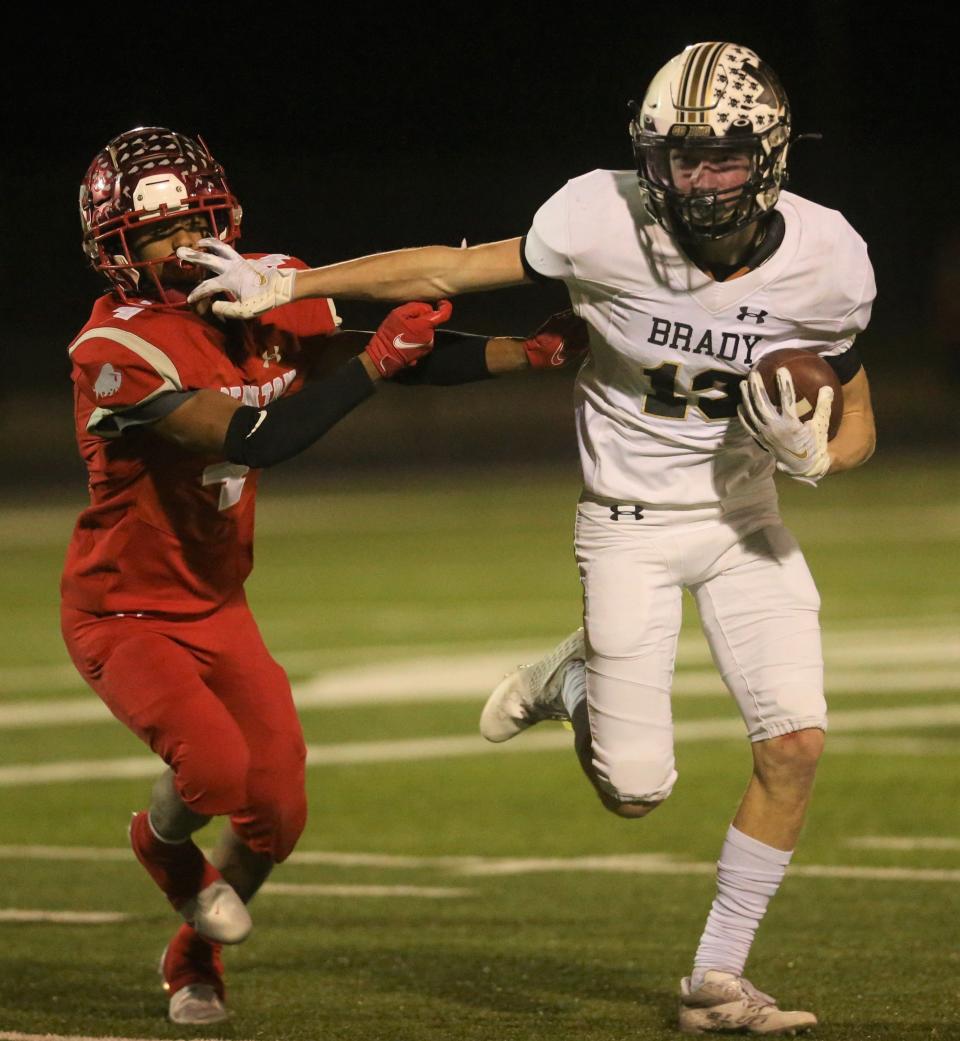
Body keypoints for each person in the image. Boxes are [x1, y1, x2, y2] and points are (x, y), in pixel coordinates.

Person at [184, 41, 876, 1035]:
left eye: (718, 158)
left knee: (796, 747)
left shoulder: (830, 255)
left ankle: (716, 981)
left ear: (768, 156)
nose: (694, 179)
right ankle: (577, 678)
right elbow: (451, 268)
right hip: (628, 526)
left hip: (745, 523)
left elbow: (857, 415)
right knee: (637, 793)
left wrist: (821, 461)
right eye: (676, 157)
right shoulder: (602, 216)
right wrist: (288, 287)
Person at [63, 126, 587, 1026]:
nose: (184, 248)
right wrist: (379, 364)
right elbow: (263, 437)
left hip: (217, 600)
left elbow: (400, 349)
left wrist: (523, 353)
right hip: (125, 610)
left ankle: (193, 952)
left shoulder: (260, 282)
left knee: (279, 811)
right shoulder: (115, 349)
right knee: (216, 765)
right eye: (158, 235)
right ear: (117, 252)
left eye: (197, 224)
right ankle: (161, 845)